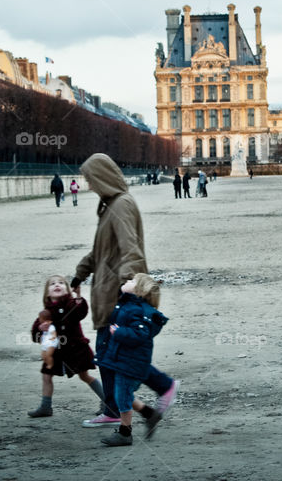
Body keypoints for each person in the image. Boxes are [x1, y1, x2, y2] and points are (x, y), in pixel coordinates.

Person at [70, 153, 178, 432]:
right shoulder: (111, 206)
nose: (89, 185)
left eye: (91, 179)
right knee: (110, 354)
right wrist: (79, 274)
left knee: (112, 354)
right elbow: (99, 252)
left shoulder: (121, 205)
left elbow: (132, 250)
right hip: (109, 292)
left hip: (118, 295)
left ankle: (157, 389)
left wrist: (132, 292)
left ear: (102, 177)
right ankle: (114, 407)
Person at [97, 274, 171, 446]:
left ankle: (125, 433)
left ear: (139, 290)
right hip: (124, 360)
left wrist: (119, 332)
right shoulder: (129, 305)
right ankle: (149, 414)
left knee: (122, 396)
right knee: (122, 394)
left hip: (131, 363)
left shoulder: (136, 309)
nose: (126, 282)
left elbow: (141, 334)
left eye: (131, 281)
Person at [27, 275, 105, 418]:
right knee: (46, 376)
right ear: (47, 293)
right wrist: (40, 328)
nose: (57, 285)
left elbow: (81, 311)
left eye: (61, 283)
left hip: (76, 350)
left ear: (67, 290)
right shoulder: (46, 313)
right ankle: (45, 407)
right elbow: (35, 336)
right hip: (55, 353)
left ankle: (107, 402)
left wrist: (79, 295)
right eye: (53, 284)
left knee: (85, 376)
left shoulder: (71, 304)